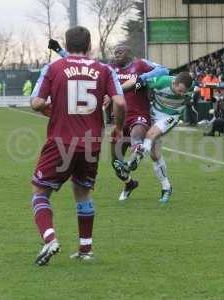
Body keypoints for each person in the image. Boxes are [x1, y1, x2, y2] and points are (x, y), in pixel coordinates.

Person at [29, 26, 126, 266]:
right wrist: (119, 127)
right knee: (82, 192)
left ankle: (50, 238)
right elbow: (121, 103)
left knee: (40, 193)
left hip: (61, 141)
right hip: (91, 143)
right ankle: (86, 249)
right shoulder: (104, 70)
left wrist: (50, 111)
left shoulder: (53, 68)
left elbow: (36, 102)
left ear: (66, 44)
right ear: (89, 45)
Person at [47, 40, 169, 201]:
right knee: (116, 163)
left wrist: (143, 78)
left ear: (129, 53)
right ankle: (129, 183)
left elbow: (164, 70)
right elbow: (83, 65)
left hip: (139, 115)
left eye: (120, 52)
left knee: (136, 134)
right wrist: (60, 51)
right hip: (119, 120)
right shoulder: (109, 69)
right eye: (115, 52)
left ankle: (136, 155)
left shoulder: (140, 64)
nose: (116, 54)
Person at [115, 72, 194, 203]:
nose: (181, 94)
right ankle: (167, 187)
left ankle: (133, 161)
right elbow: (137, 80)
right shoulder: (160, 82)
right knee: (154, 155)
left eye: (184, 92)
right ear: (174, 83)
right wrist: (118, 90)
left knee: (150, 135)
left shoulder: (192, 87)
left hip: (171, 116)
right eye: (179, 90)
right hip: (153, 113)